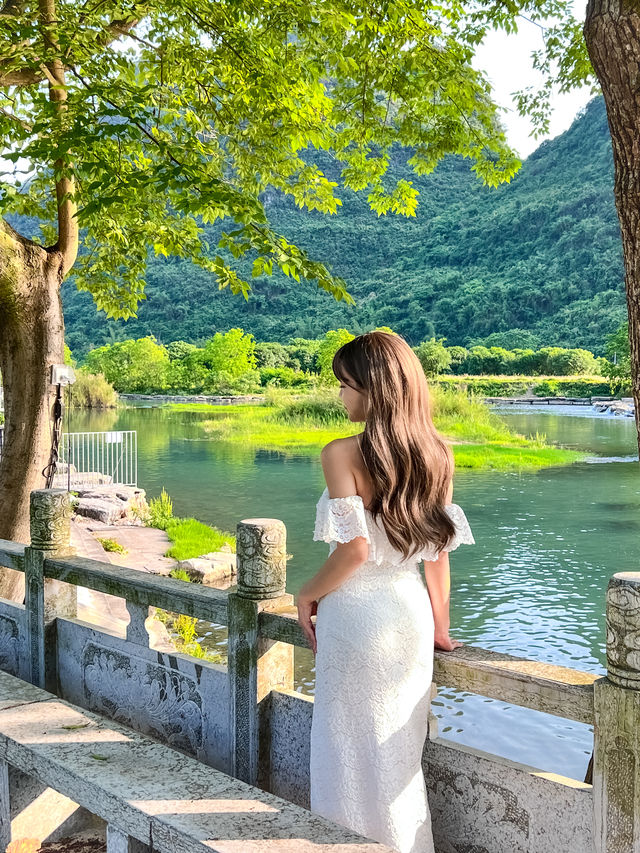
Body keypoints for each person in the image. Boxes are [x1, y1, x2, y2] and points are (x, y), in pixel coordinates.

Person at [296, 330, 474, 853]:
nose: (341, 396)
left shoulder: (340, 453)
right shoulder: (438, 453)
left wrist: (305, 595)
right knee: (396, 756)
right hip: (409, 616)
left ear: (375, 390)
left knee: (347, 748)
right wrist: (441, 628)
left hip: (357, 617)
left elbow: (353, 552)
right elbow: (437, 555)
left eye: (347, 385)